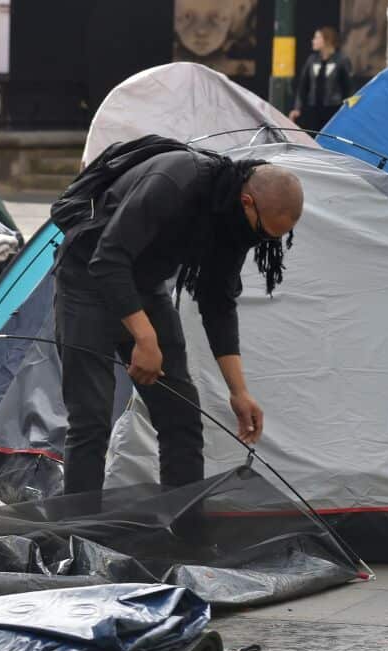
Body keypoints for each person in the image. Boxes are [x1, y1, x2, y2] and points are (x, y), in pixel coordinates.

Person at [49, 137, 303, 512]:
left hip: (144, 285)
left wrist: (239, 391)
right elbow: (108, 259)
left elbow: (217, 302)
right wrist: (145, 337)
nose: (263, 243)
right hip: (86, 280)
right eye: (266, 234)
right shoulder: (175, 181)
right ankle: (77, 539)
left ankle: (182, 532)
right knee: (91, 421)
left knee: (181, 417)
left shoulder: (233, 221)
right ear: (247, 202)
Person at [290, 26, 353, 132]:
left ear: (326, 40)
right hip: (313, 109)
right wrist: (297, 108)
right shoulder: (312, 60)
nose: (313, 41)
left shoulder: (341, 60)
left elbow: (348, 88)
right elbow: (303, 87)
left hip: (333, 110)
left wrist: (348, 110)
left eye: (317, 38)